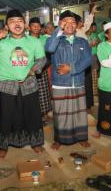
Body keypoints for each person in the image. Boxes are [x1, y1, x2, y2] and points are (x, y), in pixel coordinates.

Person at [0, 9, 46, 159]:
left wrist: (32, 70)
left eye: (20, 21)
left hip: (29, 85)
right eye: (12, 21)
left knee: (32, 116)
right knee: (6, 117)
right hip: (7, 86)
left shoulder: (34, 41)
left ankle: (35, 143)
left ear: (25, 25)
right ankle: (3, 146)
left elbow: (42, 59)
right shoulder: (2, 42)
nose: (17, 24)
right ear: (7, 26)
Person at [45, 10, 92, 150]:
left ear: (77, 25)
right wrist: (58, 30)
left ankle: (81, 137)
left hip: (78, 81)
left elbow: (88, 60)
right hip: (60, 83)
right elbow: (49, 48)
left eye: (73, 22)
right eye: (66, 22)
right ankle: (59, 139)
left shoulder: (82, 41)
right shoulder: (55, 40)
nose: (70, 24)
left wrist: (71, 68)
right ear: (60, 24)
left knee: (79, 112)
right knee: (61, 113)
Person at [28, 17, 52, 120]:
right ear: (29, 27)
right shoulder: (25, 40)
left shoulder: (45, 39)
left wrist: (44, 67)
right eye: (34, 26)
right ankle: (33, 115)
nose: (36, 28)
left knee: (43, 94)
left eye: (38, 26)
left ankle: (43, 115)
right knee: (31, 94)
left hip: (42, 71)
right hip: (28, 72)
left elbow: (49, 56)